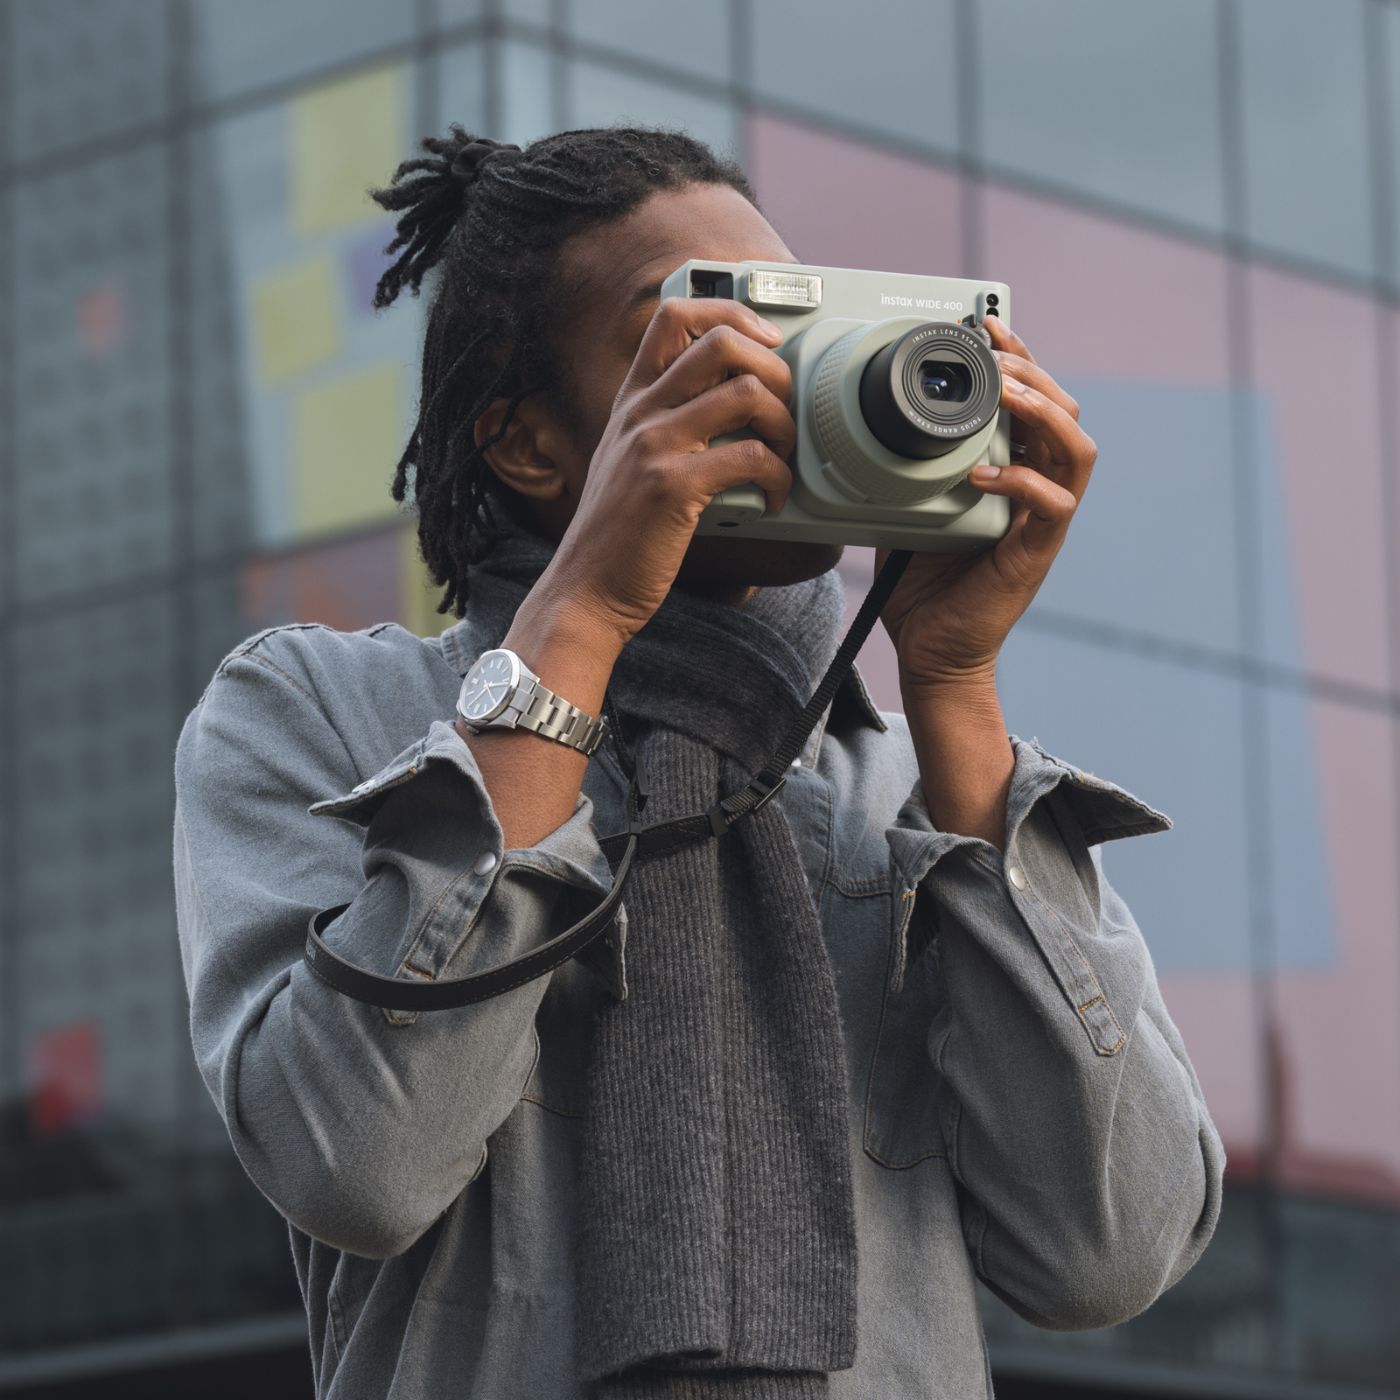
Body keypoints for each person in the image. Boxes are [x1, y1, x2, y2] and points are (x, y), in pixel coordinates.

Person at [172, 124, 1225, 1400]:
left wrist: (951, 684)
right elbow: (357, 1161)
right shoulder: (319, 710)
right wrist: (580, 625)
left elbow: (1107, 1253)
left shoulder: (915, 790)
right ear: (526, 443)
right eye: (706, 338)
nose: (771, 386)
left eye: (794, 333)